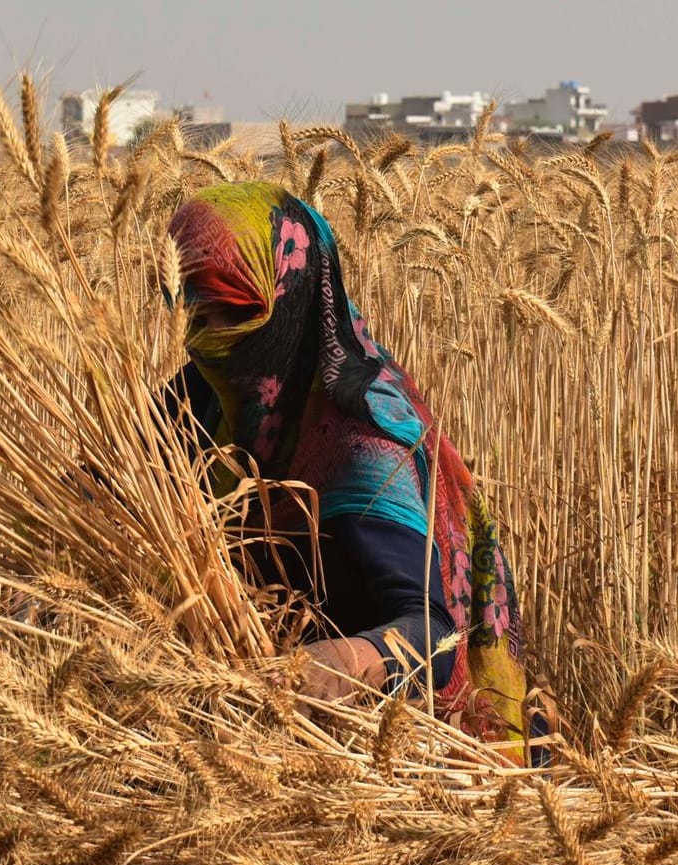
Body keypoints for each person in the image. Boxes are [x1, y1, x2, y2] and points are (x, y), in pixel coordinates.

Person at [164, 182, 537, 763]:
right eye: (192, 310)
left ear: (290, 300)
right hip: (238, 741)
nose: (207, 338)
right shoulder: (195, 403)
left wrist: (344, 664)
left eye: (233, 313)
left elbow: (436, 635)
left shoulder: (362, 441)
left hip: (399, 759)